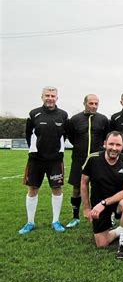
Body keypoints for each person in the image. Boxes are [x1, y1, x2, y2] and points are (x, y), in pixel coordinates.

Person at [18, 86, 69, 235]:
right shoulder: (34, 114)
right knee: (33, 189)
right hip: (36, 160)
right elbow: (29, 134)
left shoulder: (63, 115)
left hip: (55, 160)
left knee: (57, 189)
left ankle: (56, 221)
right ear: (42, 97)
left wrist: (57, 151)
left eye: (53, 96)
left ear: (57, 98)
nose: (50, 98)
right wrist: (35, 149)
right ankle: (30, 222)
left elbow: (64, 135)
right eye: (47, 95)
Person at [80, 131, 123, 259]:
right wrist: (87, 208)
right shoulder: (93, 159)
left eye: (118, 145)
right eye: (111, 144)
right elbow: (83, 183)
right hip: (98, 204)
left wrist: (103, 203)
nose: (114, 148)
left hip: (116, 203)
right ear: (104, 144)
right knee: (101, 244)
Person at [65, 94, 109, 228]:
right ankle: (75, 216)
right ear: (84, 103)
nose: (94, 106)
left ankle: (103, 215)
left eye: (96, 104)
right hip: (79, 158)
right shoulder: (75, 120)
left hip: (98, 160)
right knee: (77, 187)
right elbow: (71, 137)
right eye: (91, 103)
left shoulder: (103, 119)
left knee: (101, 188)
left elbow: (106, 137)